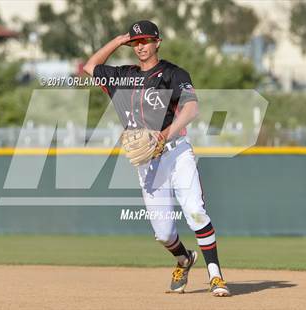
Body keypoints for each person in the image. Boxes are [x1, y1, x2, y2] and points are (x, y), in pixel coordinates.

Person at [83, 20, 230, 297]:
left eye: (146, 41)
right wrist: (119, 39)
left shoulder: (173, 74)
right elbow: (90, 67)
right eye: (136, 42)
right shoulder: (121, 76)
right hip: (147, 161)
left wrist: (164, 134)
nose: (141, 46)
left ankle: (216, 276)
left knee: (195, 211)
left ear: (157, 43)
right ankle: (184, 260)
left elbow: (191, 108)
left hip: (176, 151)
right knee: (163, 233)